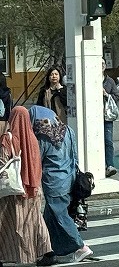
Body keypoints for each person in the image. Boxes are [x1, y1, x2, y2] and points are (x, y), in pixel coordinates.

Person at [29, 106, 92, 263]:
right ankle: (48, 253)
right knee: (50, 219)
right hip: (69, 178)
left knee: (60, 216)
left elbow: (37, 159)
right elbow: (75, 156)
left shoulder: (42, 134)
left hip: (54, 182)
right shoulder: (67, 129)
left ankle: (81, 246)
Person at [0, 107, 57, 267]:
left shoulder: (9, 138)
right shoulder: (33, 139)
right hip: (33, 187)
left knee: (7, 222)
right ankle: (48, 252)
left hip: (14, 190)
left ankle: (7, 255)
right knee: (35, 220)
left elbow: (2, 161)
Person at [102, 59, 119, 177]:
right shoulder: (90, 79)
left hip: (107, 116)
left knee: (108, 141)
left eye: (103, 64)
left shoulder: (109, 81)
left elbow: (117, 97)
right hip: (93, 117)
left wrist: (106, 95)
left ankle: (110, 165)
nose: (101, 66)